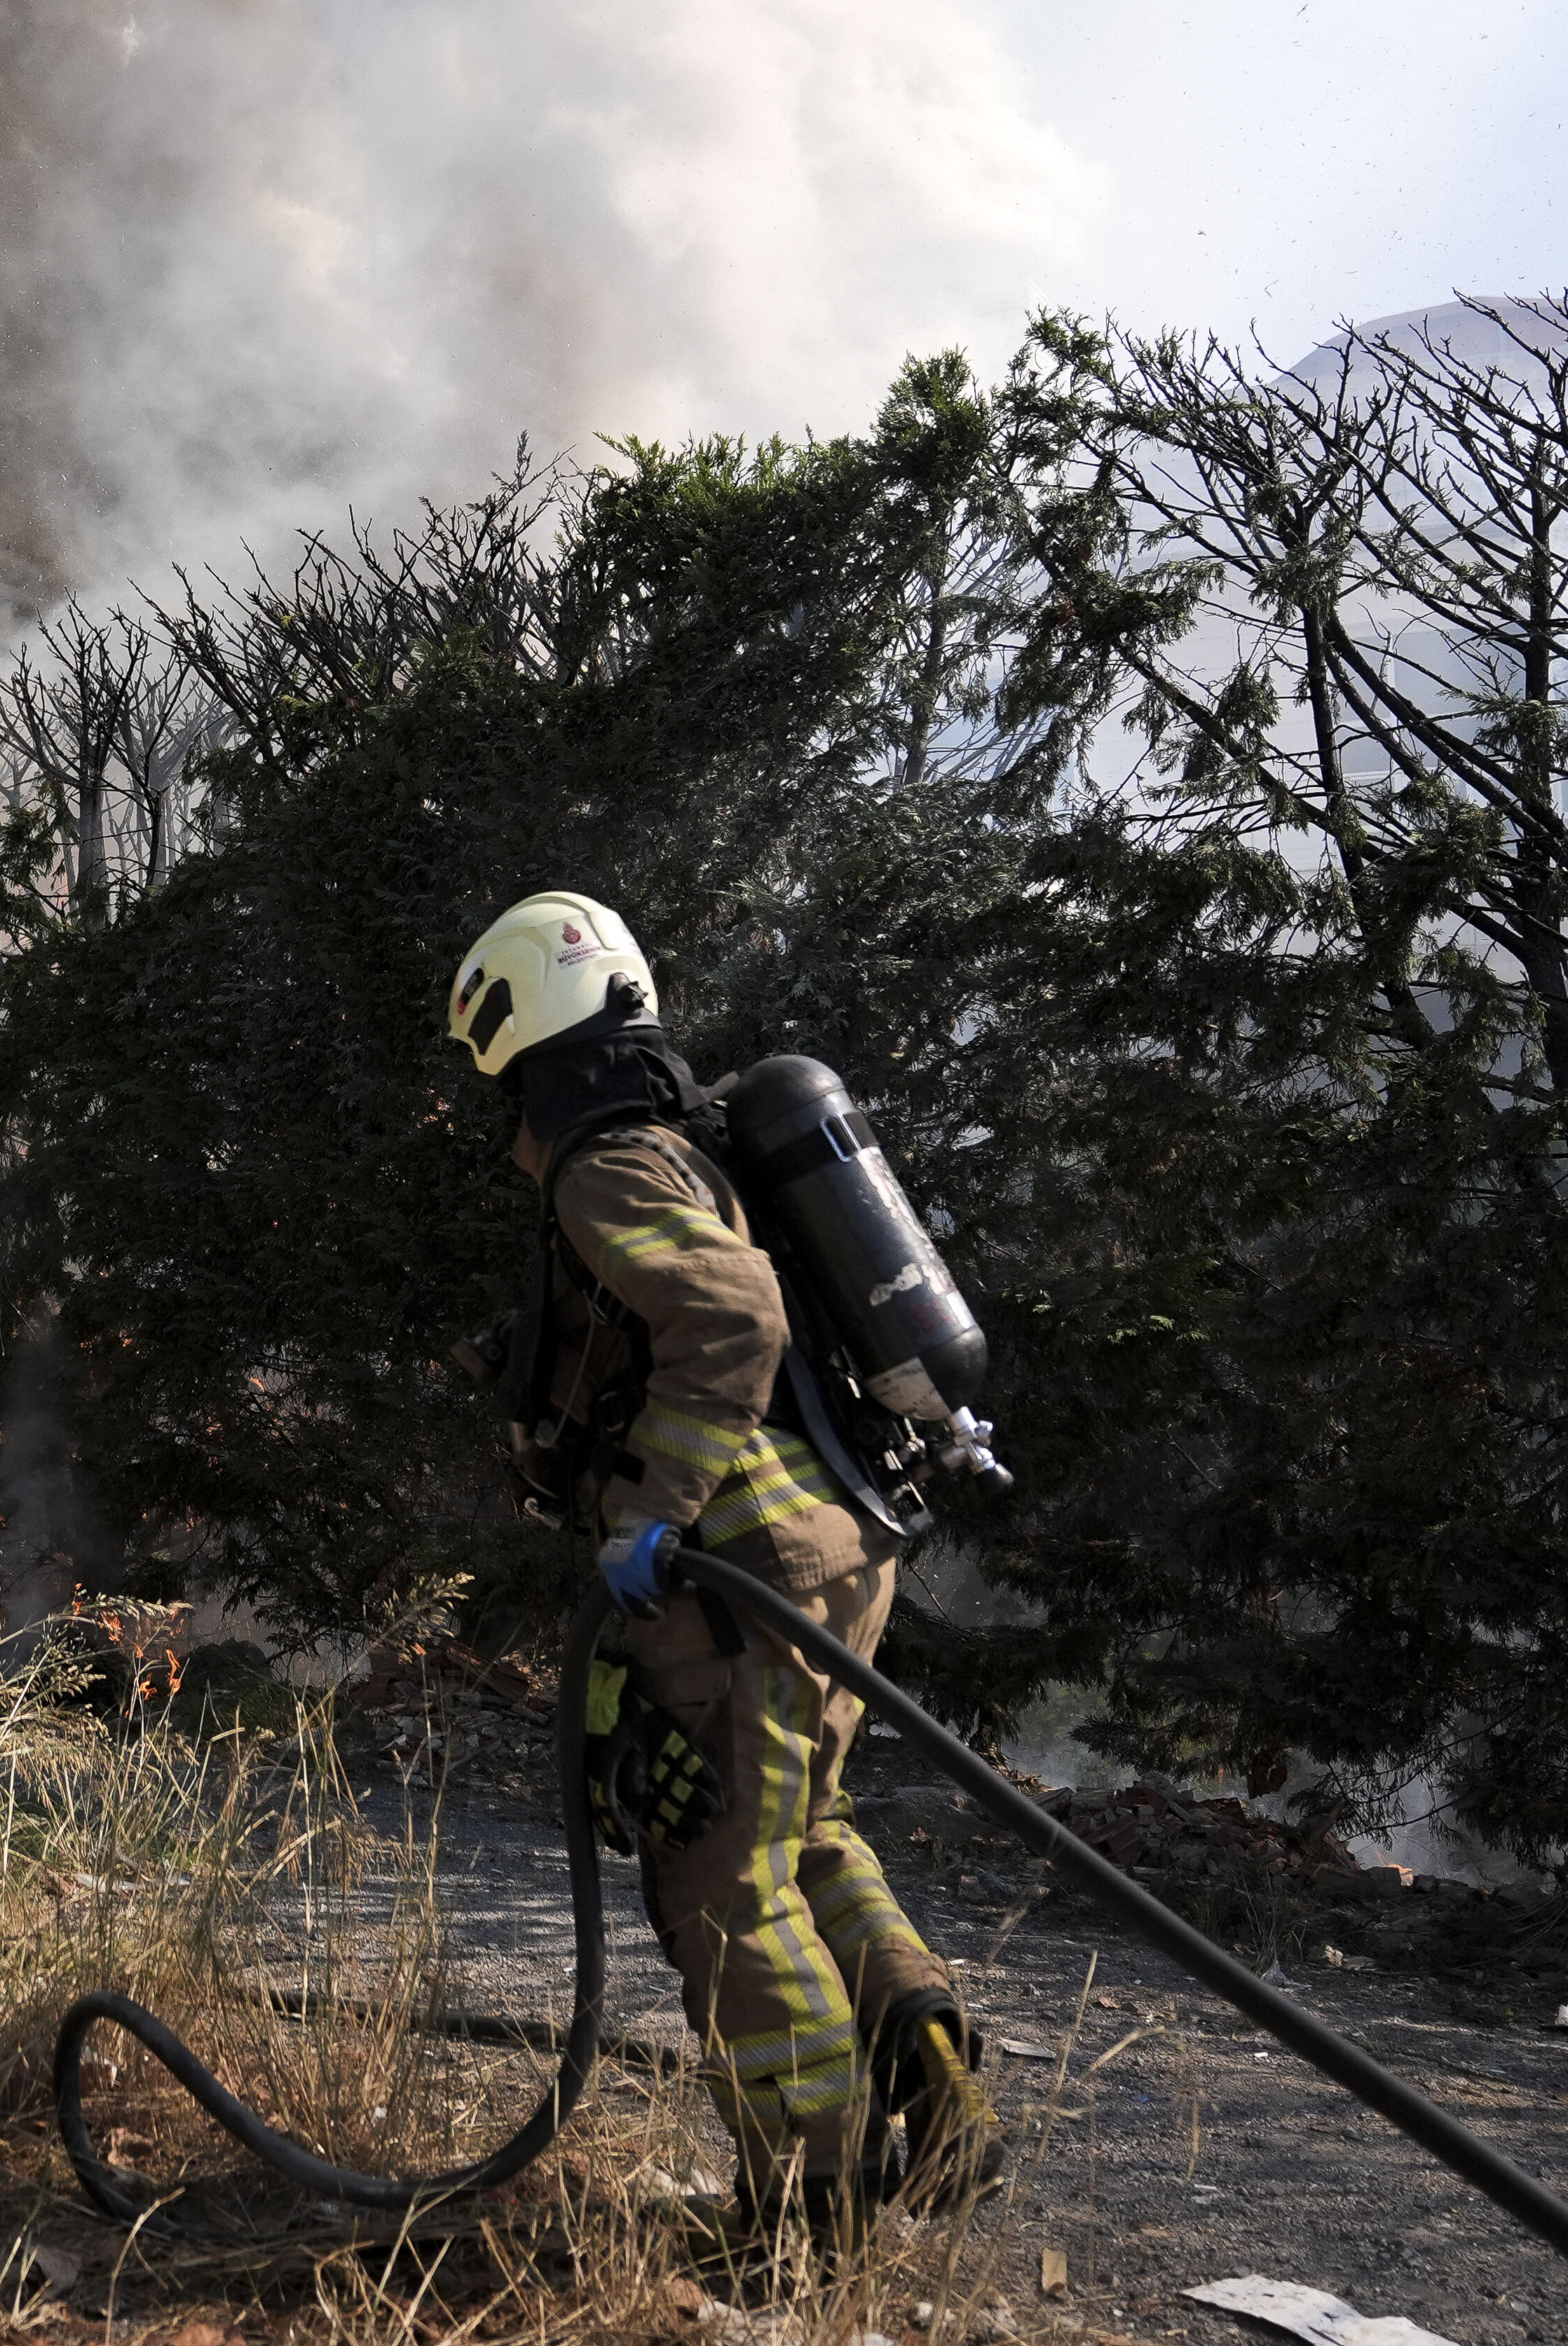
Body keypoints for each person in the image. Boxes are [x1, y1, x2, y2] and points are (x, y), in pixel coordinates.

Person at [446, 889, 997, 2253]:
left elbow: (731, 1316)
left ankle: (808, 2221)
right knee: (803, 1833)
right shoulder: (703, 1145)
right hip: (835, 1542)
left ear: (516, 1036)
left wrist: (650, 1507)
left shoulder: (607, 1159)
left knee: (717, 1881)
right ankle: (936, 2091)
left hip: (742, 1559)